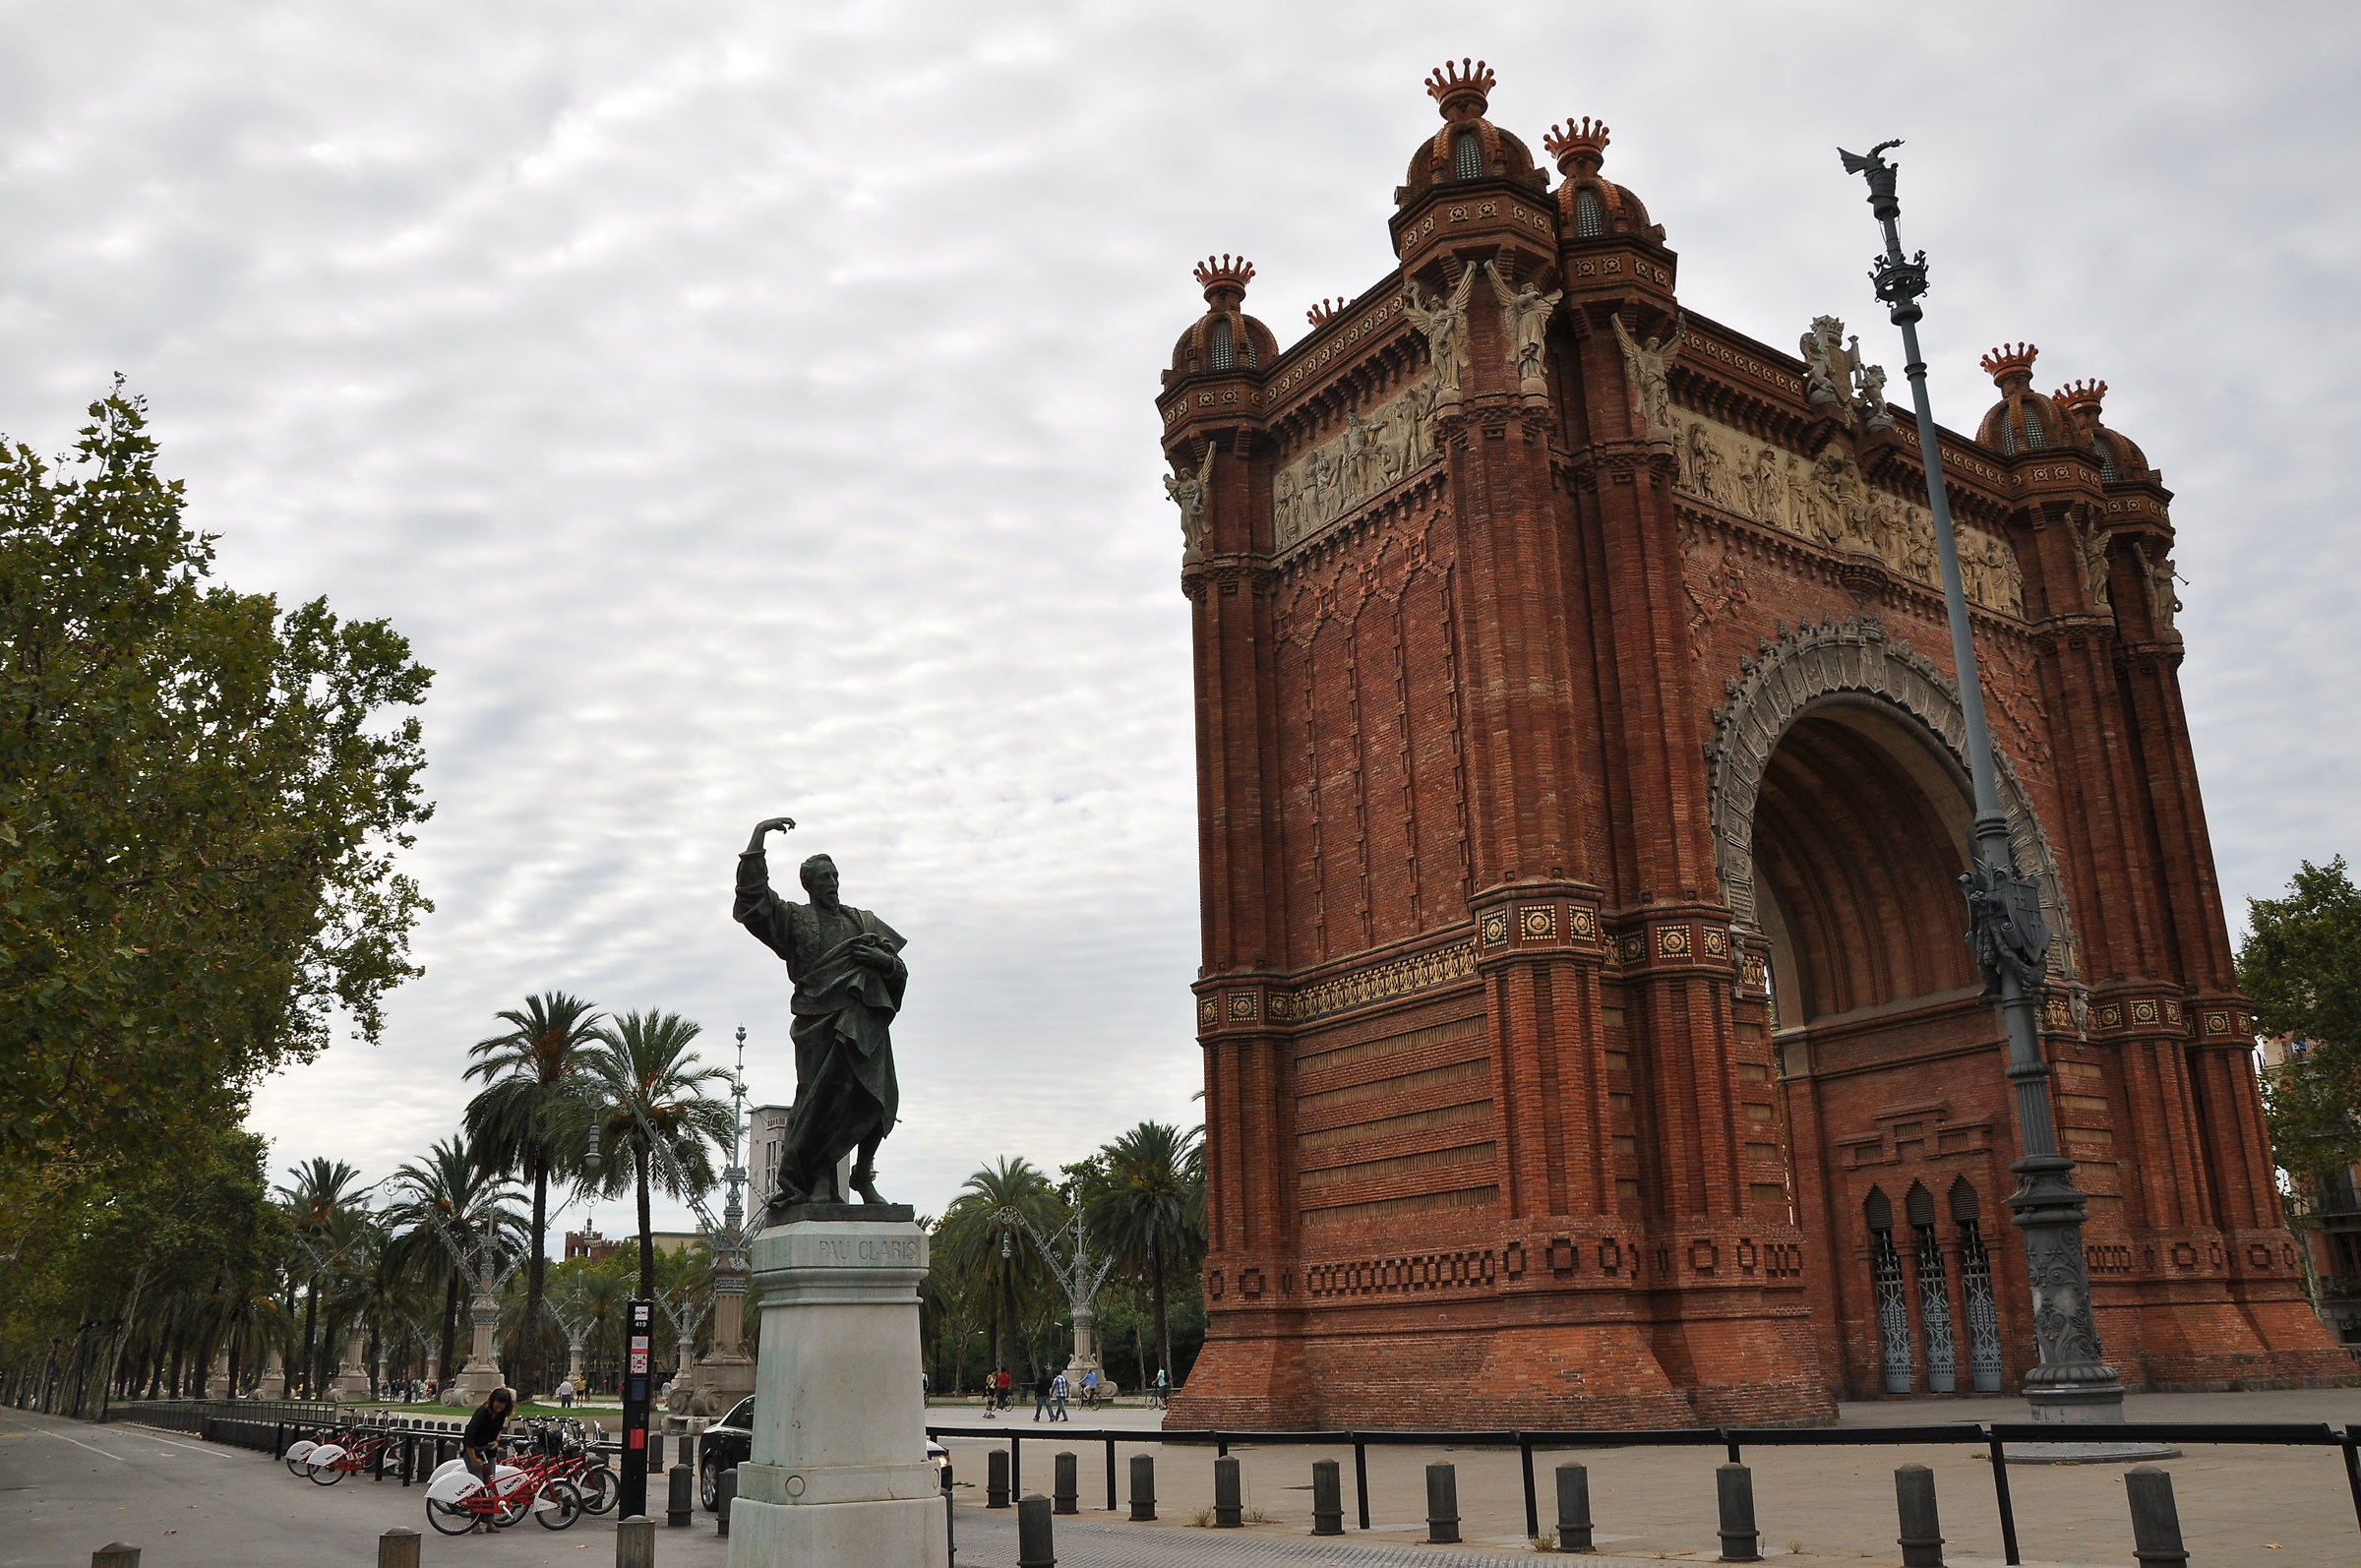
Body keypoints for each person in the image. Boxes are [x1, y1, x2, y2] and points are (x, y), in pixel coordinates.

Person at [460, 1386, 516, 1535]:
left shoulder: (501, 1414)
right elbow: (469, 1436)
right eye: (497, 1406)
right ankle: (475, 1523)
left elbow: (498, 1430)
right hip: (475, 1450)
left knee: (490, 1486)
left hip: (489, 1452)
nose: (498, 1409)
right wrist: (473, 1459)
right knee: (478, 1488)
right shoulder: (482, 1412)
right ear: (492, 1402)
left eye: (502, 1407)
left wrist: (497, 1441)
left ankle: (490, 1522)